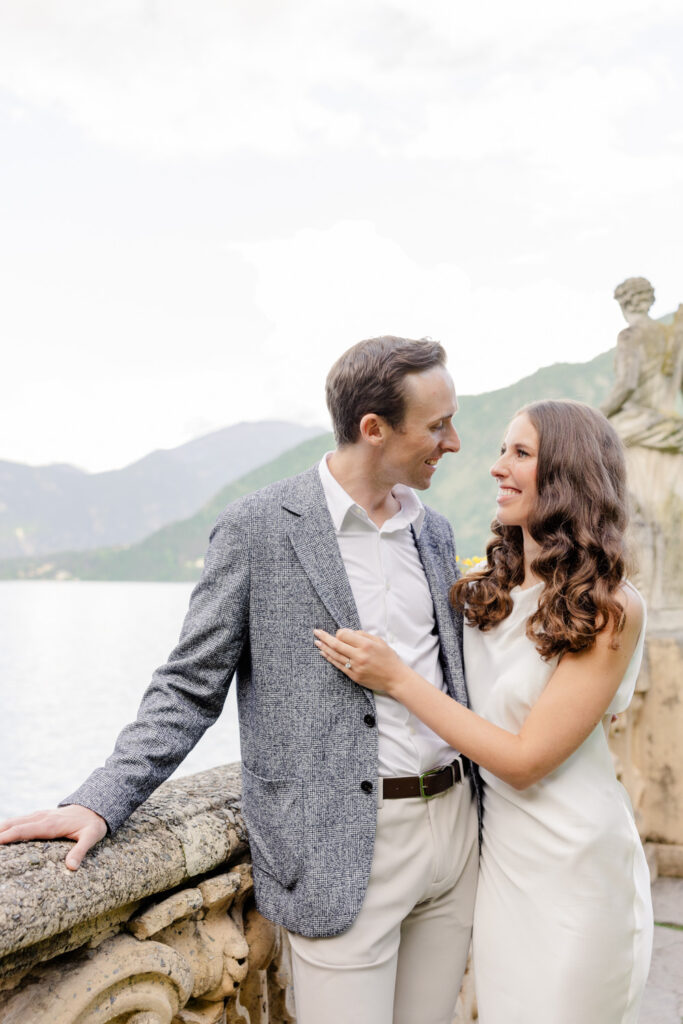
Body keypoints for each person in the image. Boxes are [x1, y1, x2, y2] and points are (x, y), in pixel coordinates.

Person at [0, 336, 479, 1024]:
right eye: (438, 426)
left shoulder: (433, 531)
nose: (453, 442)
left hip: (455, 829)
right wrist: (100, 801)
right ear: (374, 428)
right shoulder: (257, 527)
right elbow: (189, 685)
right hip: (336, 848)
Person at [315, 399, 654, 1024]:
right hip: (496, 866)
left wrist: (397, 679)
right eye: (502, 450)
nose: (497, 467)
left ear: (569, 474)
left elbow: (524, 761)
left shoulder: (610, 607)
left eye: (521, 453)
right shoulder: (484, 593)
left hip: (576, 868)